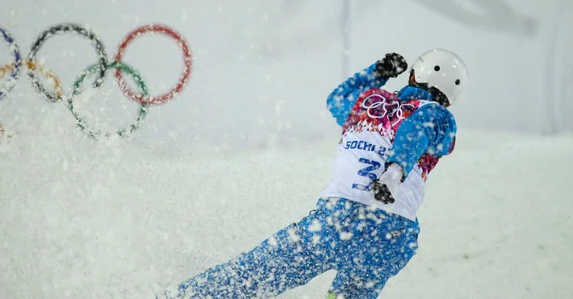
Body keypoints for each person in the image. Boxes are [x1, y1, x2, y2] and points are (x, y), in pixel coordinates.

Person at [161, 49, 469, 299]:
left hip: (339, 218)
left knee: (256, 274)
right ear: (451, 96)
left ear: (414, 74)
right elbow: (418, 127)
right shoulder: (442, 119)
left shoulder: (370, 101)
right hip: (392, 235)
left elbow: (337, 99)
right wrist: (396, 168)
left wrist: (377, 71)